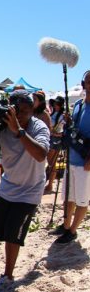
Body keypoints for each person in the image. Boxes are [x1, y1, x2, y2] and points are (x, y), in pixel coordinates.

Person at [0, 90, 49, 292]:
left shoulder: (38, 126)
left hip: (30, 192)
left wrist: (19, 131)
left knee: (13, 236)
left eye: (26, 111)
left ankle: (7, 276)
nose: (22, 115)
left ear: (32, 110)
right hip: (7, 187)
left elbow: (41, 155)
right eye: (18, 111)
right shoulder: (1, 127)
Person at [53, 70, 90, 244]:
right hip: (71, 157)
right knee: (69, 196)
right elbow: (74, 130)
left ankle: (73, 231)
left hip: (85, 161)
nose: (89, 85)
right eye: (87, 82)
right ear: (83, 85)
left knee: (82, 198)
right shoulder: (78, 105)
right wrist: (68, 121)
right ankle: (66, 225)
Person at [44, 96, 66, 193]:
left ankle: (50, 184)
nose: (55, 105)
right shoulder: (53, 113)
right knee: (50, 163)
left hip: (55, 140)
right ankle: (49, 184)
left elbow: (63, 131)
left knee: (51, 163)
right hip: (50, 138)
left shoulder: (62, 116)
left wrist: (54, 133)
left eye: (57, 103)